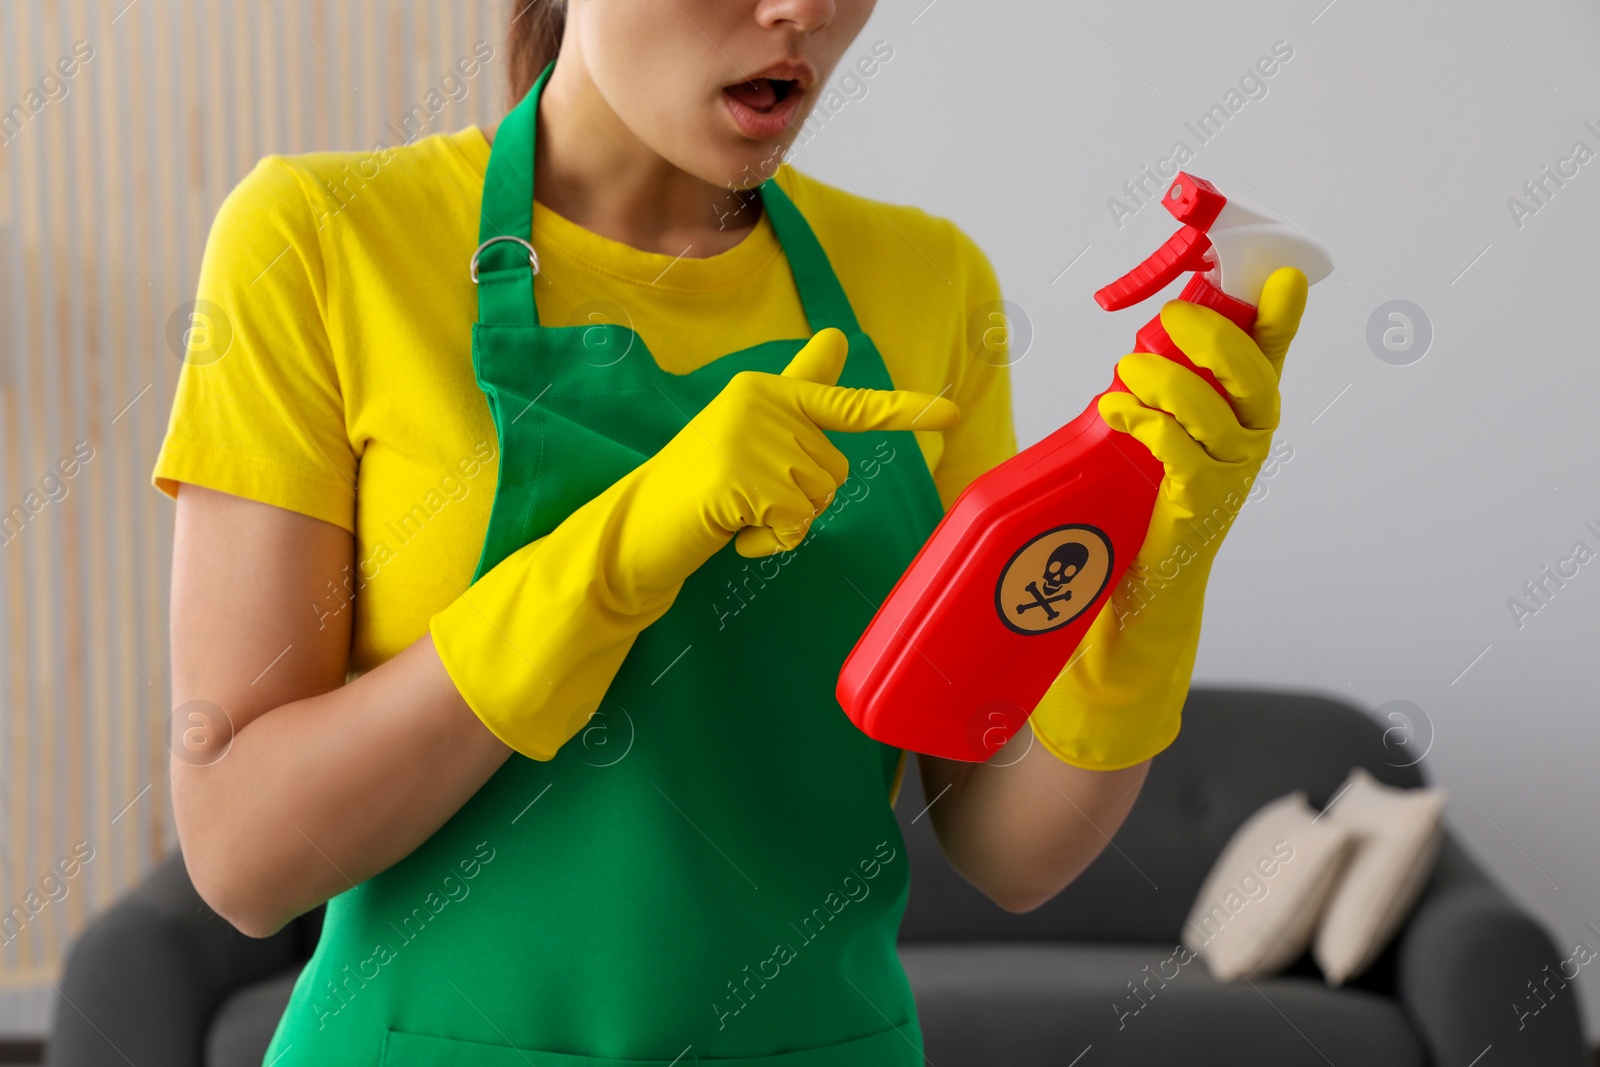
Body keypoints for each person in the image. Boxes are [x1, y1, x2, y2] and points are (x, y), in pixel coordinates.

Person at [154, 0, 1307, 1062]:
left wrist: (1157, 564)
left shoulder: (926, 284)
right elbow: (243, 855)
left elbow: (1007, 849)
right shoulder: (324, 239)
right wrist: (626, 545)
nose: (800, 10)